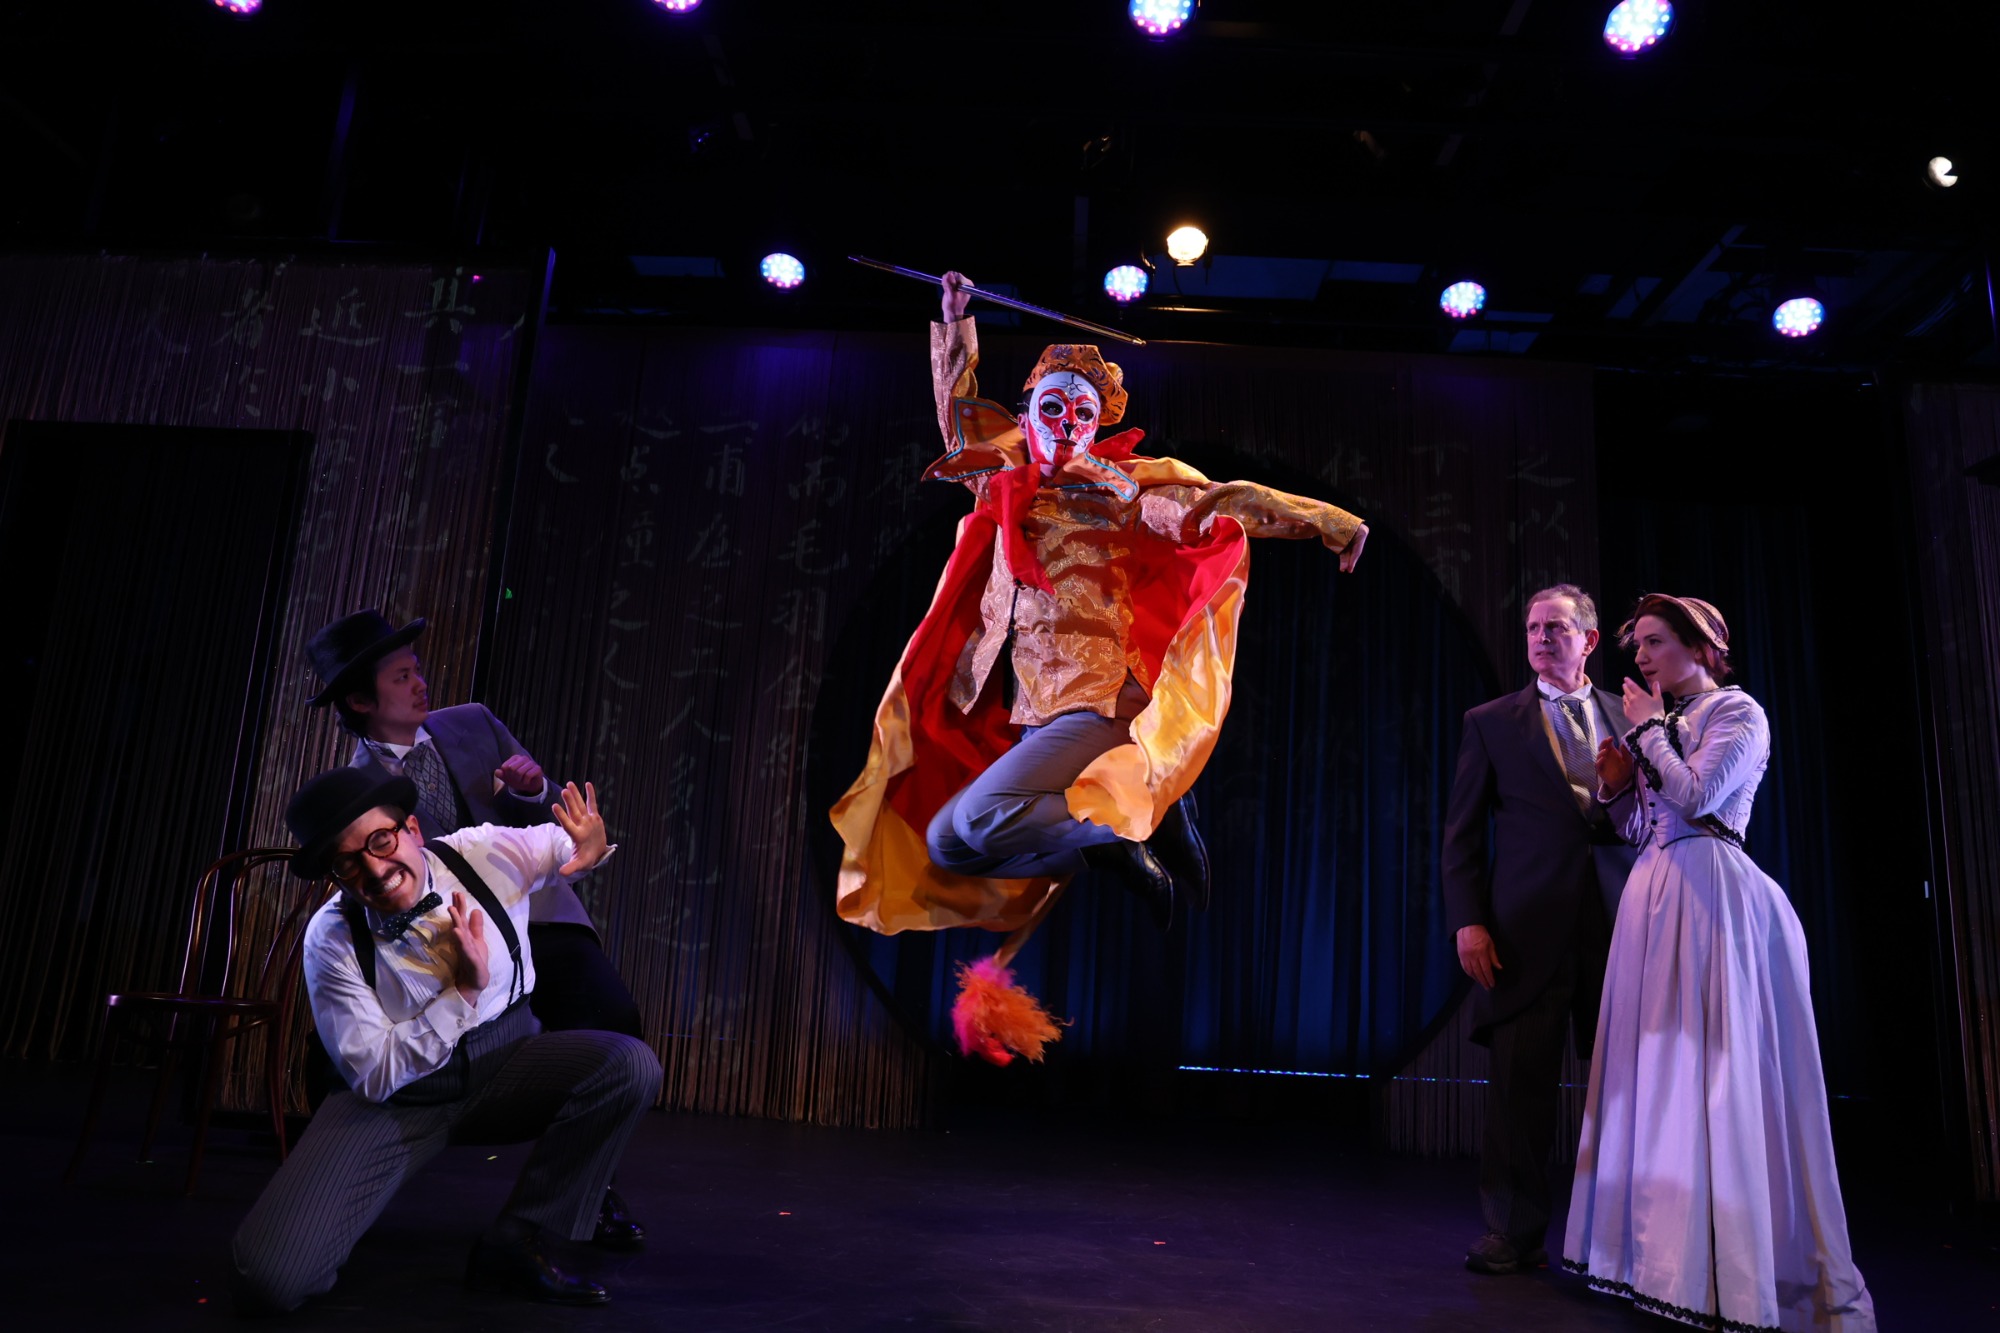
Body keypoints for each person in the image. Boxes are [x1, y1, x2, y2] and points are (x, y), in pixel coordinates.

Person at [831, 270, 1367, 1062]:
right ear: (1027, 415)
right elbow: (956, 421)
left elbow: (1217, 505)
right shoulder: (1004, 483)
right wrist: (955, 318)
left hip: (1099, 704)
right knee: (949, 841)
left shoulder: (1124, 492)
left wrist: (1326, 520)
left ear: (1097, 424)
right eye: (1053, 409)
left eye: (1083, 413)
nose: (1067, 425)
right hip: (1034, 716)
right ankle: (1127, 831)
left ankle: (1119, 836)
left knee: (968, 825)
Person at [231, 768, 661, 1312]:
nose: (375, 869)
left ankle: (517, 1239)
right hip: (398, 1104)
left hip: (507, 1065)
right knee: (272, 1279)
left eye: (381, 841)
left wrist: (589, 847)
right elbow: (375, 1074)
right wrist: (462, 992)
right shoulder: (331, 939)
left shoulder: (479, 853)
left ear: (411, 829)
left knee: (628, 1066)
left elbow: (563, 844)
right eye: (348, 862)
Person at [1564, 593, 1875, 1331]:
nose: (1641, 656)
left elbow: (1702, 798)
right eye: (1638, 644)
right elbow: (1645, 826)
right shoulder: (1660, 724)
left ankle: (1728, 1267)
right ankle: (1658, 1258)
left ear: (1699, 647)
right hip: (1654, 891)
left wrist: (1647, 732)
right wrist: (1615, 786)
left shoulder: (1739, 712)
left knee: (1713, 1074)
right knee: (1658, 1077)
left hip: (1712, 891)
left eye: (1655, 642)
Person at [304, 609, 646, 1243]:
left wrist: (529, 790)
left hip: (535, 914)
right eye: (401, 677)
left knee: (613, 1019)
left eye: (416, 670)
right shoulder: (354, 790)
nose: (420, 684)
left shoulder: (472, 723)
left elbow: (560, 817)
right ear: (359, 700)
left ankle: (590, 1191)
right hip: (452, 945)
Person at [1441, 583, 1636, 1275]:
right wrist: (1469, 921)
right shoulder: (1492, 721)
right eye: (1532, 627)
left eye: (1557, 627)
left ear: (1589, 640)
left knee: (1634, 1085)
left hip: (1623, 920)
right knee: (1520, 1082)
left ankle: (1632, 1238)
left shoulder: (1632, 715)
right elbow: (1462, 835)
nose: (1541, 638)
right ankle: (1512, 1229)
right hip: (1526, 928)